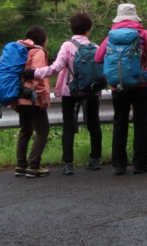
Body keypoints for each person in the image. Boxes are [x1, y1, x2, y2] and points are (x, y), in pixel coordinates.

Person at [28, 12, 103, 175]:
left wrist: (33, 73)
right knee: (94, 124)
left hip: (71, 91)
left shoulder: (67, 46)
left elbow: (56, 68)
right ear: (88, 30)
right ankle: (95, 160)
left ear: (72, 28)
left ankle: (68, 164)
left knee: (68, 126)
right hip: (91, 90)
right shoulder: (95, 47)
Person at [95, 3, 147, 175]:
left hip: (117, 85)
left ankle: (119, 164)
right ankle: (140, 164)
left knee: (120, 122)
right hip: (140, 84)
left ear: (118, 18)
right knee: (140, 122)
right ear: (134, 17)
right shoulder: (143, 34)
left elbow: (98, 58)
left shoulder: (110, 36)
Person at [14, 25, 51, 178]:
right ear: (43, 40)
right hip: (33, 97)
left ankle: (21, 165)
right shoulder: (38, 52)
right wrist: (43, 98)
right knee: (42, 131)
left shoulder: (19, 50)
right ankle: (34, 165)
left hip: (19, 96)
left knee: (25, 130)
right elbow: (38, 76)